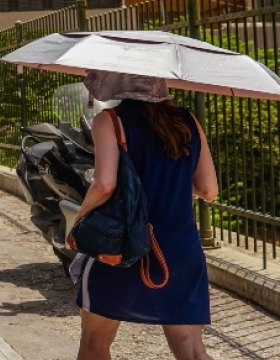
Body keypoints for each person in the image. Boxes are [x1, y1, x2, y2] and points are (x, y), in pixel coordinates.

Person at [72, 70, 218, 360]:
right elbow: (208, 190)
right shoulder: (188, 121)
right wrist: (169, 181)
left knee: (94, 345)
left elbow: (104, 185)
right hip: (180, 252)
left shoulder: (110, 120)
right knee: (192, 351)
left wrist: (79, 221)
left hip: (122, 248)